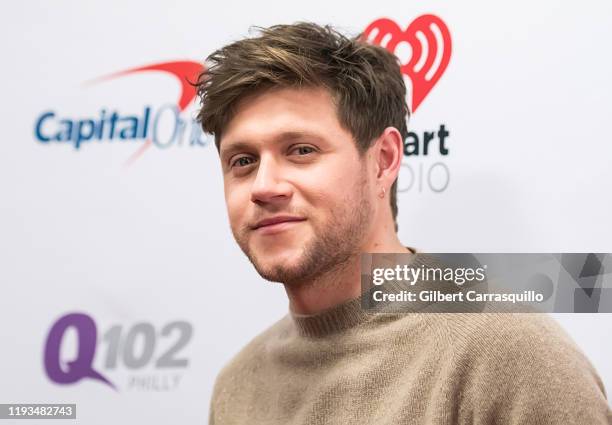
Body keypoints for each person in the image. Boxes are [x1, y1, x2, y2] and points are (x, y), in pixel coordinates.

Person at [195, 22, 612, 424]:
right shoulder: (236, 385)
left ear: (384, 161)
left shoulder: (507, 353)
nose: (264, 186)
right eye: (243, 161)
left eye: (301, 150)